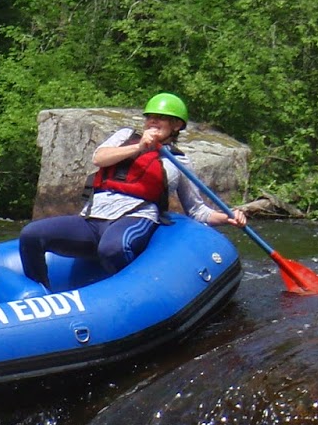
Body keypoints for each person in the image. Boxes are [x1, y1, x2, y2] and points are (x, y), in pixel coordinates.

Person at [17, 92, 247, 289]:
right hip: (93, 218)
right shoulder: (125, 137)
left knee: (112, 249)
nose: (153, 122)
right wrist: (139, 147)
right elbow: (99, 158)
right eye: (150, 118)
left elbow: (197, 211)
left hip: (135, 217)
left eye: (161, 119)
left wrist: (228, 217)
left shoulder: (179, 161)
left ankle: (133, 298)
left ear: (176, 126)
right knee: (32, 234)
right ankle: (41, 292)